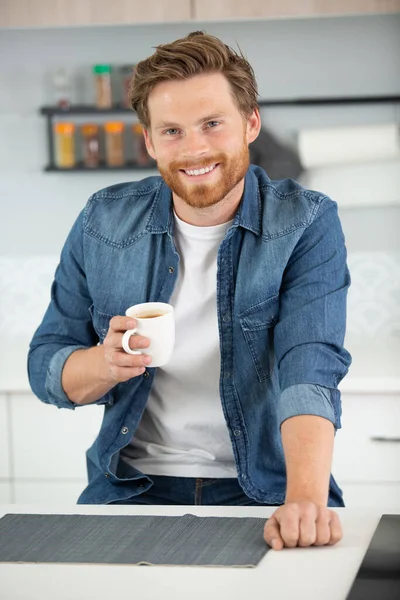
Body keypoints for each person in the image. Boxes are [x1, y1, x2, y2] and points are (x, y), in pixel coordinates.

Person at [28, 31, 352, 551]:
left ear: (250, 124)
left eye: (212, 124)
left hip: (265, 490)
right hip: (131, 490)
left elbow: (308, 366)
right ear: (151, 143)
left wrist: (306, 500)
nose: (195, 148)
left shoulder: (305, 221)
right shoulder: (103, 220)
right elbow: (46, 367)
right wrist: (104, 364)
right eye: (173, 131)